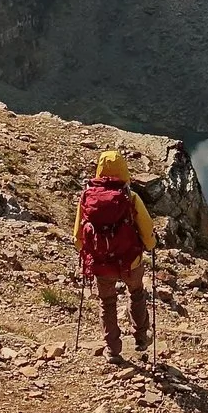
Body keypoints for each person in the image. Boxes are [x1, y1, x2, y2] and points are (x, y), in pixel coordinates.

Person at [76, 149, 156, 362]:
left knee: (107, 302)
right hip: (130, 260)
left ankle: (113, 349)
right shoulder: (130, 196)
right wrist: (151, 244)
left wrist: (84, 252)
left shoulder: (87, 196)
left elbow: (79, 232)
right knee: (137, 293)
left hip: (102, 263)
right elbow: (146, 229)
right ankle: (141, 338)